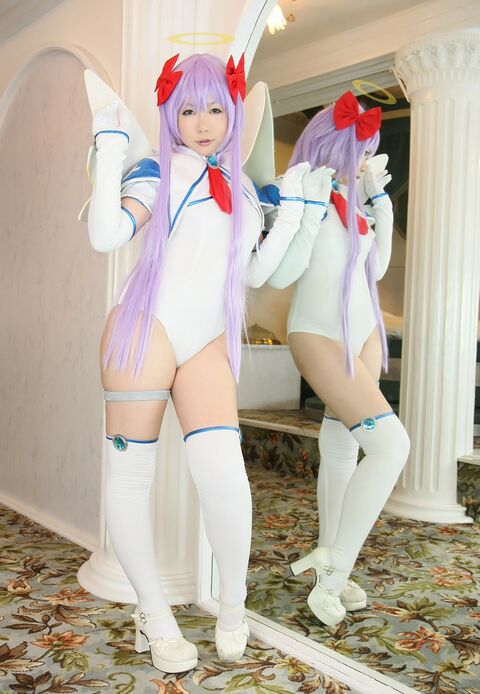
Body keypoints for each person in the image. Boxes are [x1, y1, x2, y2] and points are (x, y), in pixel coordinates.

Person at [84, 52, 312, 673]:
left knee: (225, 477)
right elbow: (106, 235)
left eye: (215, 108)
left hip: (207, 339)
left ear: (233, 112)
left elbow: (258, 274)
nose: (203, 122)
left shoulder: (243, 187)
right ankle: (155, 617)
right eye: (187, 110)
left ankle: (233, 607)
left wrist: (294, 213)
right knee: (130, 480)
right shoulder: (158, 171)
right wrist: (109, 146)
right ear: (171, 115)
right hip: (144, 329)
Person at [266, 91, 410, 627]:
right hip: (318, 333)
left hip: (363, 332)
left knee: (345, 447)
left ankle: (331, 567)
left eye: (369, 150)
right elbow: (280, 273)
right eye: (360, 149)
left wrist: (380, 202)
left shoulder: (354, 200)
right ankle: (334, 569)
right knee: (392, 446)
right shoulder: (301, 190)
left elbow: (377, 270)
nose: (365, 159)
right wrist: (303, 209)